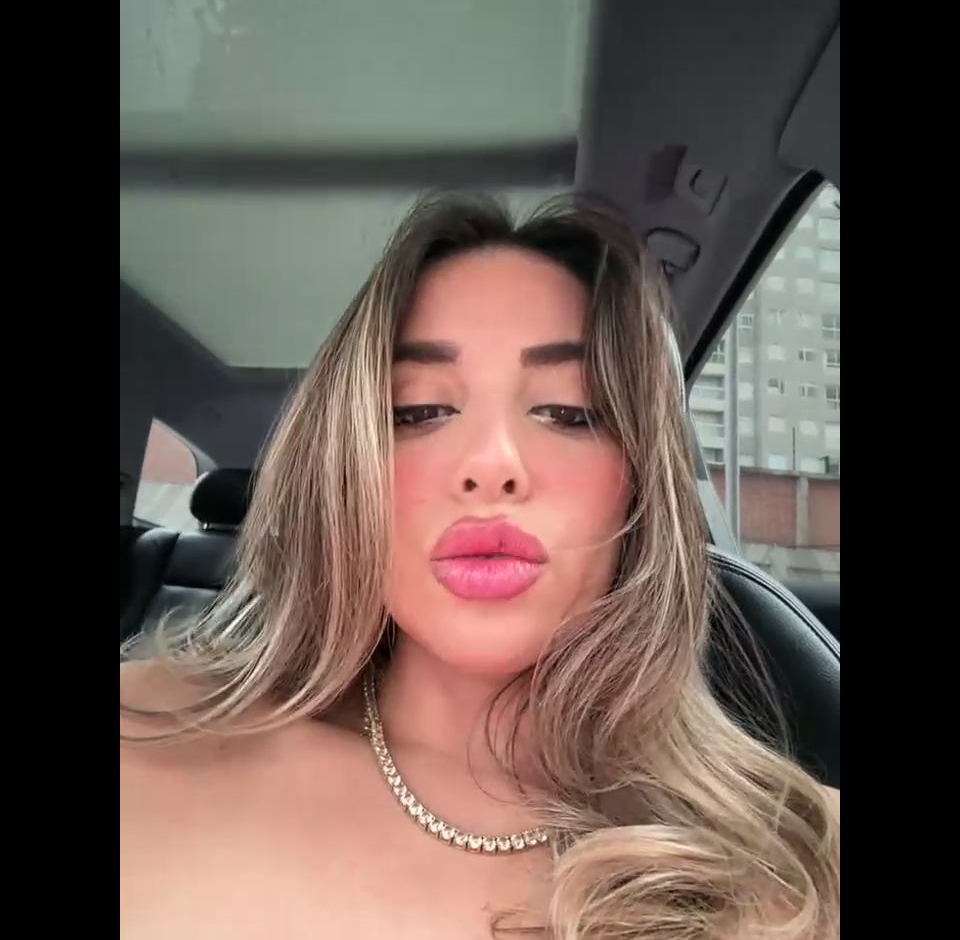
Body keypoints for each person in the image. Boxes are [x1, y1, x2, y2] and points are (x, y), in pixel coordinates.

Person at [120, 194, 839, 939]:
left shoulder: (800, 862)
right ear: (347, 469)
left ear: (637, 486)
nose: (492, 465)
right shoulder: (142, 738)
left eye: (568, 412)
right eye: (419, 411)